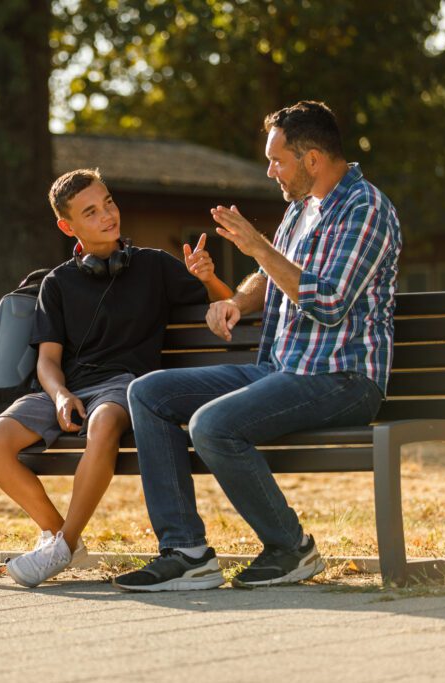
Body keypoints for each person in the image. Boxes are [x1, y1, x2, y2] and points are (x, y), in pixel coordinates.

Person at [114, 101, 403, 592]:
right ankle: (186, 552)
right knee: (148, 393)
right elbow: (271, 278)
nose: (270, 171)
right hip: (281, 369)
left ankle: (290, 549)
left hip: (341, 379)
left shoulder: (366, 209)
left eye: (277, 160)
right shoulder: (301, 209)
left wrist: (258, 247)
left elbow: (329, 302)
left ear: (312, 159)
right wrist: (238, 301)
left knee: (213, 425)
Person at [0, 168, 232, 588]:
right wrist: (60, 396)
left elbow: (228, 307)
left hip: (127, 386)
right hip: (69, 389)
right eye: (91, 211)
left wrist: (207, 278)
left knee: (104, 423)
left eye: (109, 202)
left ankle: (61, 545)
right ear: (68, 226)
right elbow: (47, 360)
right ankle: (60, 537)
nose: (108, 215)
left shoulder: (154, 266)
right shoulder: (57, 283)